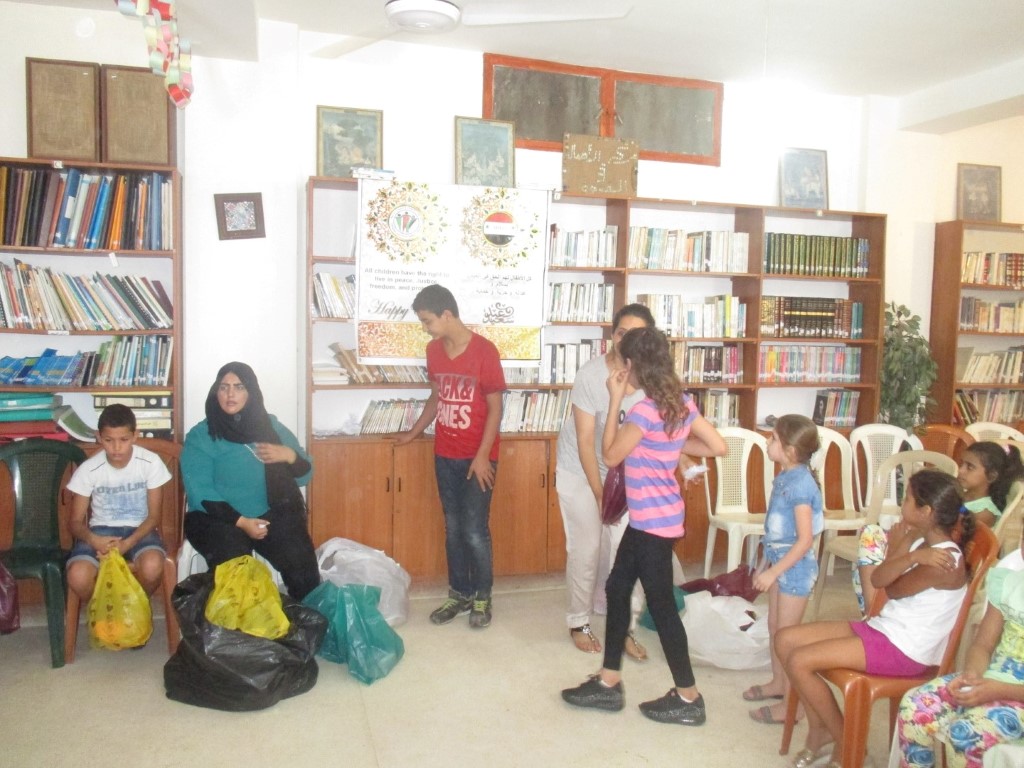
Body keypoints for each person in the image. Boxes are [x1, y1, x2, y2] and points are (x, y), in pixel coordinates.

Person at [561, 326, 728, 726]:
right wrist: (669, 443)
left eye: (624, 365)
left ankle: (688, 697)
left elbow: (610, 455)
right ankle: (608, 681)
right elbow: (718, 446)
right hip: (655, 519)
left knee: (662, 606)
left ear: (633, 365)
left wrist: (616, 398)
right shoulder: (680, 403)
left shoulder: (644, 411)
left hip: (651, 524)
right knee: (617, 588)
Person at [777, 470, 976, 768]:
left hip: (906, 649)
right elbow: (880, 578)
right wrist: (906, 544)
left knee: (799, 661)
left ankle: (849, 745)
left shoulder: (944, 562)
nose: (902, 503)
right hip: (886, 629)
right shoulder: (920, 538)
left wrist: (907, 555)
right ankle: (821, 732)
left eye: (907, 499)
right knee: (785, 640)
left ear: (926, 512)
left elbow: (893, 589)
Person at [396, 284, 506, 629]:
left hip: (478, 458)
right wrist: (414, 432)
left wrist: (483, 456)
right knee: (453, 529)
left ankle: (482, 596)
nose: (425, 328)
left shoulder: (485, 351)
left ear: (447, 314)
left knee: (474, 531)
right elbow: (436, 397)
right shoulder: (433, 351)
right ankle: (459, 594)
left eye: (427, 321)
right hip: (445, 454)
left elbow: (496, 408)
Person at [555, 303, 656, 659]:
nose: (627, 340)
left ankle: (624, 628)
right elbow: (585, 441)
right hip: (581, 468)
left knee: (628, 552)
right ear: (612, 336)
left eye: (636, 334)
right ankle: (578, 621)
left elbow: (661, 428)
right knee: (586, 547)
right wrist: (600, 495)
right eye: (621, 333)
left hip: (628, 473)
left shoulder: (653, 377)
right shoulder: (590, 375)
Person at [181, 361, 319, 600]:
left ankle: (304, 617)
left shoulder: (271, 427)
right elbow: (200, 493)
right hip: (214, 518)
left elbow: (305, 475)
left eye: (239, 387)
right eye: (224, 387)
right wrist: (242, 522)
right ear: (215, 392)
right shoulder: (201, 435)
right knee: (236, 565)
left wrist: (289, 455)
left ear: (251, 392)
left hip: (268, 513)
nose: (230, 394)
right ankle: (238, 622)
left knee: (300, 563)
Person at [893, 531, 1024, 768]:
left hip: (1016, 694)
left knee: (965, 734)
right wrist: (973, 678)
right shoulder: (1010, 581)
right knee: (914, 707)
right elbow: (983, 644)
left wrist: (997, 690)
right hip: (993, 680)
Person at [853, 441, 1023, 614]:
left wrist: (899, 546)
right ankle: (871, 603)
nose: (961, 470)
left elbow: (952, 541)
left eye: (969, 467)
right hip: (923, 543)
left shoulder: (984, 513)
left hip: (935, 555)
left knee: (871, 539)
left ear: (991, 476)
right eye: (962, 464)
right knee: (871, 535)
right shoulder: (962, 496)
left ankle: (872, 608)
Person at [745, 414, 824, 725]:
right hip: (780, 564)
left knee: (788, 639)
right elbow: (776, 532)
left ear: (790, 450)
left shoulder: (801, 485)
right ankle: (779, 683)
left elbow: (804, 541)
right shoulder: (786, 476)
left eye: (774, 438)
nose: (768, 441)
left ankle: (794, 705)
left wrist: (773, 572)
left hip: (794, 570)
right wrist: (765, 566)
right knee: (775, 629)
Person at [66, 404, 171, 602]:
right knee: (78, 576)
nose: (116, 448)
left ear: (135, 436)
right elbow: (74, 523)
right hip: (100, 532)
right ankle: (106, 608)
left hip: (140, 530)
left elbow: (154, 517)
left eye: (123, 440)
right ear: (99, 437)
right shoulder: (89, 469)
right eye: (109, 440)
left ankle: (136, 605)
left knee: (152, 566)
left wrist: (127, 543)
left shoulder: (150, 463)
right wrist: (93, 540)